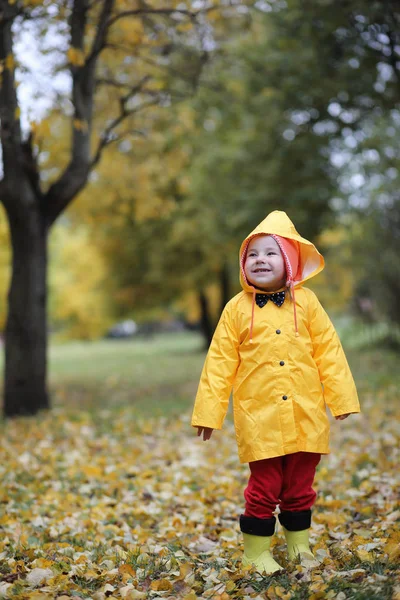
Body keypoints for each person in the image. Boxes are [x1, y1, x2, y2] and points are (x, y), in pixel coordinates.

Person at [191, 210, 360, 574]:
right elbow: (219, 364)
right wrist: (208, 414)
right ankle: (255, 552)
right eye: (252, 254)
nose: (260, 260)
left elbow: (329, 351)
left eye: (270, 252)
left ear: (289, 262)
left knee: (301, 485)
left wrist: (341, 399)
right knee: (265, 486)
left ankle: (298, 545)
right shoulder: (236, 309)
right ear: (243, 263)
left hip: (305, 414)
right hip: (260, 417)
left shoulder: (308, 304)